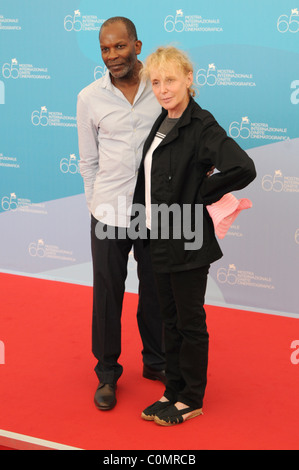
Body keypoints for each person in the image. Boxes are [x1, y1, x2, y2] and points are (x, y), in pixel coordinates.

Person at [133, 46, 257, 426]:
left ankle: (191, 397)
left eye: (170, 80)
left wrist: (201, 193)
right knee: (168, 318)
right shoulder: (162, 120)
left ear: (188, 79)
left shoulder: (201, 124)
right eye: (156, 82)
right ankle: (172, 389)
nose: (163, 89)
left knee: (189, 321)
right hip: (158, 234)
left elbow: (243, 167)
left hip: (187, 239)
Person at [76, 17, 166, 411]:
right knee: (108, 295)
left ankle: (157, 362)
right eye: (105, 49)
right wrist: (95, 208)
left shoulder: (162, 86)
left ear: (137, 45)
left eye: (119, 47)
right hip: (108, 211)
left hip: (156, 211)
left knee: (157, 292)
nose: (112, 56)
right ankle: (107, 374)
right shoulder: (89, 97)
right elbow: (88, 161)